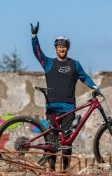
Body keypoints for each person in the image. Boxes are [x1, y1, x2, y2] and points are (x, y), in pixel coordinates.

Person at [30, 21, 99, 172]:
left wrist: (94, 87)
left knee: (67, 143)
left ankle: (66, 171)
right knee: (52, 143)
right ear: (56, 48)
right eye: (59, 46)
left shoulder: (75, 65)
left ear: (68, 48)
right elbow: (38, 53)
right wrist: (34, 37)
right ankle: (52, 171)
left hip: (69, 108)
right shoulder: (48, 63)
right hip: (52, 108)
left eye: (64, 46)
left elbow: (85, 77)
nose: (62, 48)